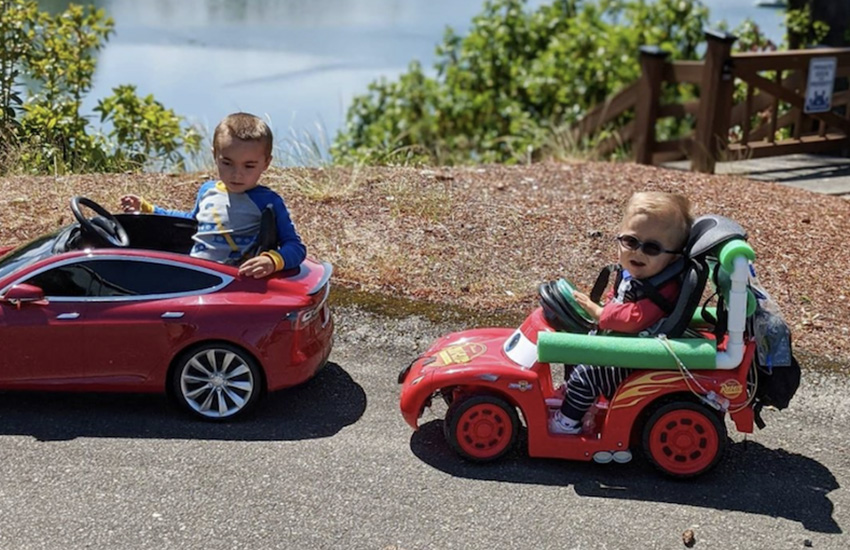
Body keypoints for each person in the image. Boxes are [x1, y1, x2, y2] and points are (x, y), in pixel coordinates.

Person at [549, 191, 693, 435]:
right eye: (631, 242)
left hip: (639, 358)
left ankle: (567, 423)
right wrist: (600, 311)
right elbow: (617, 299)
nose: (638, 252)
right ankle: (579, 399)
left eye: (652, 248)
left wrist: (599, 313)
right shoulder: (637, 275)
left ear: (672, 258)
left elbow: (635, 319)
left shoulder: (663, 289)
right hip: (625, 346)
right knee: (578, 347)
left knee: (586, 375)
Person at [121, 112, 305, 279]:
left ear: (266, 163)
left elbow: (295, 247)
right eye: (227, 163)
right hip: (196, 274)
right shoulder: (207, 190)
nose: (236, 174)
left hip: (232, 281)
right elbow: (192, 222)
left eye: (249, 166)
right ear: (215, 155)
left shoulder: (268, 201)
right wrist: (150, 210)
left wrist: (273, 261)